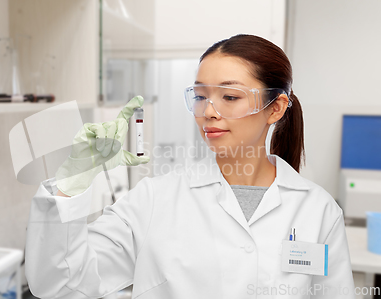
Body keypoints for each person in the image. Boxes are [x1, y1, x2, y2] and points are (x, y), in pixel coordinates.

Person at [24, 34, 355, 299]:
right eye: (199, 96)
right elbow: (62, 285)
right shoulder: (155, 199)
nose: (208, 112)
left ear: (276, 107)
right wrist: (72, 182)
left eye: (229, 97)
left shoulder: (318, 211)